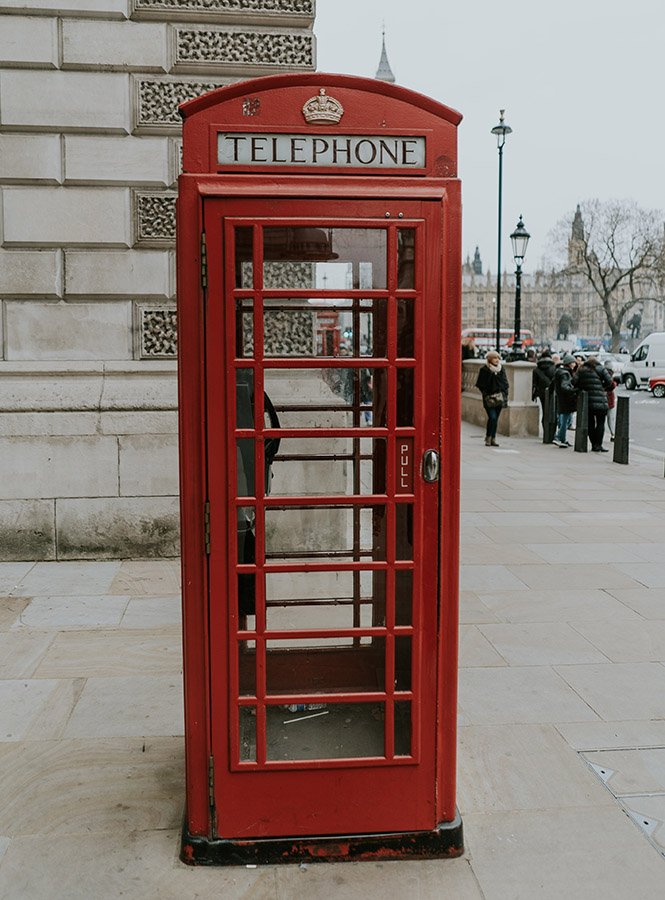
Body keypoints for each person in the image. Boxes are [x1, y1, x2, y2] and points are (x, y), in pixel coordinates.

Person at [573, 356, 613, 451]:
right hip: (600, 400)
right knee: (600, 423)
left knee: (590, 423)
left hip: (587, 400)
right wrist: (602, 387)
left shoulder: (581, 370)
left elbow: (574, 382)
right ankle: (598, 445)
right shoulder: (601, 368)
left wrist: (583, 387)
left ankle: (593, 444)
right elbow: (609, 381)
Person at [476, 350, 509, 447]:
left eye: (498, 358)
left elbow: (505, 383)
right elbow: (480, 384)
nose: (497, 360)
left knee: (495, 419)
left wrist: (504, 394)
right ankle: (488, 437)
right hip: (489, 398)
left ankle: (493, 438)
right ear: (490, 359)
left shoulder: (501, 369)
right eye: (494, 358)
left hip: (499, 397)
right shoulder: (484, 370)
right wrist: (486, 394)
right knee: (492, 417)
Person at [552, 354, 578, 447]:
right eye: (573, 362)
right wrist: (574, 390)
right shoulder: (565, 373)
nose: (574, 364)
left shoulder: (560, 371)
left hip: (561, 399)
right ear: (569, 363)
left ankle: (562, 438)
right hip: (566, 399)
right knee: (566, 421)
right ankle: (560, 437)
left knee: (565, 419)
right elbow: (565, 386)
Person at [532, 349, 556, 431]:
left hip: (542, 393)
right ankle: (551, 431)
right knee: (552, 411)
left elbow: (534, 383)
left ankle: (545, 429)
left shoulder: (537, 369)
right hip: (552, 392)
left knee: (545, 411)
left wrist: (534, 395)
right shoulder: (553, 368)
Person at [605, 367, 620, 441]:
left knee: (600, 420)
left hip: (602, 400)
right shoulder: (609, 379)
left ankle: (612, 434)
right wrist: (615, 382)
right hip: (609, 400)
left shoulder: (599, 376)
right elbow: (612, 385)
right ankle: (613, 434)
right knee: (610, 418)